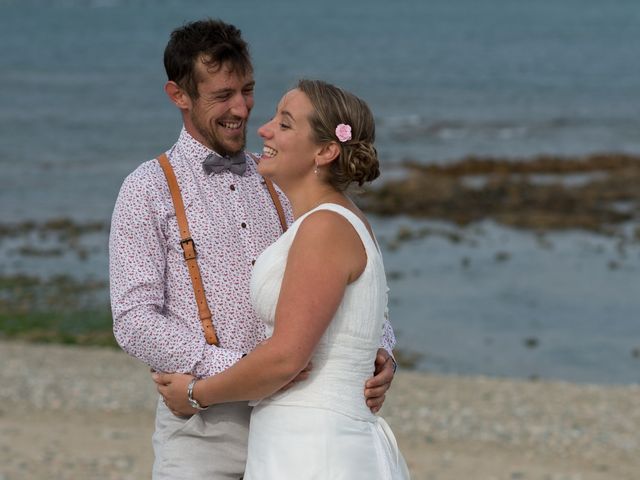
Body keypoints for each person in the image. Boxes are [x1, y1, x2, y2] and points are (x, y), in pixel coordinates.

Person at [109, 19, 397, 479]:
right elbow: (134, 319)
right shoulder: (147, 189)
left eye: (247, 90)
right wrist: (230, 371)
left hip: (294, 412)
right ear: (178, 95)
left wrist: (379, 351)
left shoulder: (288, 179)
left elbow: (349, 284)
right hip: (204, 426)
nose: (241, 109)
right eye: (223, 96)